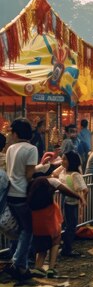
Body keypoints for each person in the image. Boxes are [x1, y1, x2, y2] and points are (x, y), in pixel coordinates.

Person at [28, 172, 85, 278]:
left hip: (35, 217)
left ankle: (38, 267)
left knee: (41, 243)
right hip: (49, 217)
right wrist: (79, 197)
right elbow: (66, 190)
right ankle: (51, 268)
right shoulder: (51, 181)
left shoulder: (31, 185)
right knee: (55, 239)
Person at [4, 118, 38, 279]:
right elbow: (29, 175)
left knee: (18, 232)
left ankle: (22, 269)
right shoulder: (31, 149)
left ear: (16, 133)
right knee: (28, 230)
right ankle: (16, 261)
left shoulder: (10, 148)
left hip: (10, 194)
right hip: (23, 195)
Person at [52, 151, 88, 258]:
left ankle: (65, 248)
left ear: (71, 161)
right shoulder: (67, 172)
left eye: (65, 159)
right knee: (70, 226)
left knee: (69, 226)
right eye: (62, 159)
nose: (62, 161)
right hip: (67, 203)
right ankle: (66, 249)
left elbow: (85, 190)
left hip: (67, 203)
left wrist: (82, 201)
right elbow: (54, 174)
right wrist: (62, 165)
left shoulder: (73, 174)